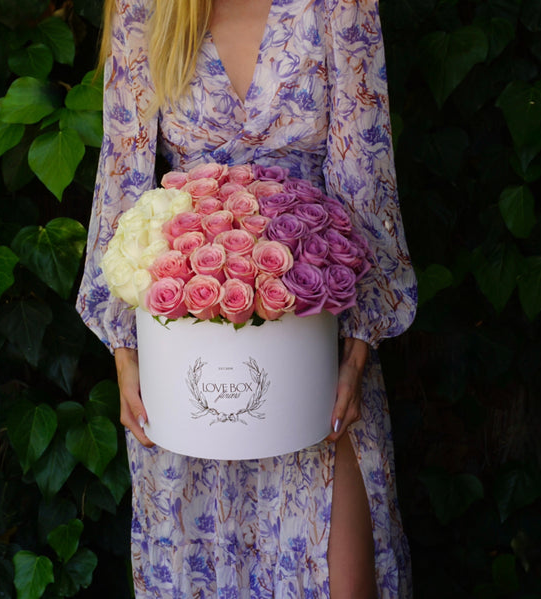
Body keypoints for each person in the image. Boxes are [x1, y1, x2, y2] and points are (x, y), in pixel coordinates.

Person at [76, 0, 418, 596]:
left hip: (318, 355)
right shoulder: (147, 10)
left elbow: (368, 179)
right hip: (187, 369)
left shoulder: (339, 6)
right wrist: (124, 355)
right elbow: (120, 179)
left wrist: (356, 355)